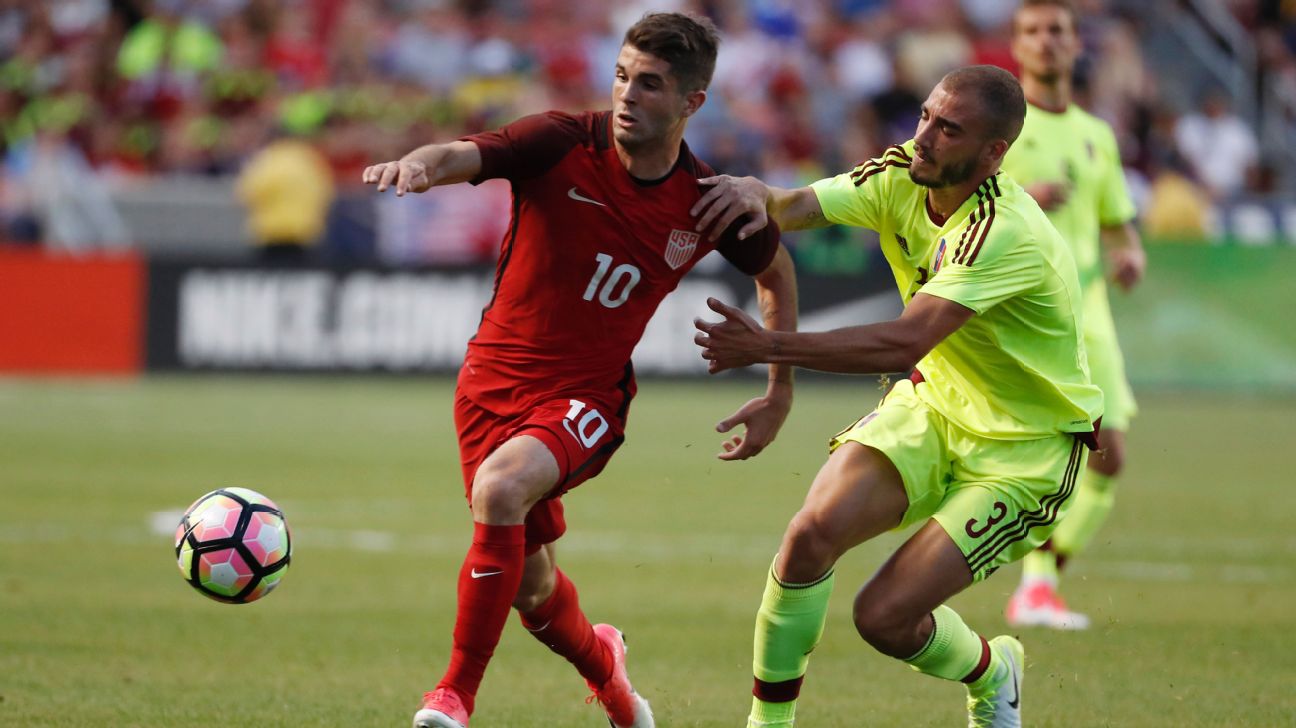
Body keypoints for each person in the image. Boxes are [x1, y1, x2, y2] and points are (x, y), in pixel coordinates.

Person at [362, 12, 798, 728]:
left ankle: (452, 696)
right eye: (623, 75)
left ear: (693, 102)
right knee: (532, 591)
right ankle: (608, 669)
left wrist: (778, 386)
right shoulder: (559, 142)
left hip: (585, 397)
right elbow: (459, 154)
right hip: (488, 388)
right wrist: (419, 165)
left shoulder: (709, 204)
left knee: (502, 490)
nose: (627, 94)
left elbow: (775, 271)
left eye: (651, 84)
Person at [690, 64, 1102, 727]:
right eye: (925, 117)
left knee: (883, 618)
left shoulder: (1004, 231)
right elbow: (793, 207)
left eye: (949, 129)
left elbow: (901, 344)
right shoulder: (897, 176)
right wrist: (752, 192)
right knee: (807, 538)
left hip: (1026, 449)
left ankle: (993, 672)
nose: (925, 138)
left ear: (994, 152)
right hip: (936, 406)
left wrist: (768, 349)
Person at [1000, 0, 1146, 630]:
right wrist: (1019, 196)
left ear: (1075, 42)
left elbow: (1118, 224)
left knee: (1108, 455)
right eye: (1033, 31)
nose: (1046, 42)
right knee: (1044, 454)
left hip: (1091, 313)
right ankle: (1026, 585)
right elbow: (949, 203)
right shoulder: (998, 127)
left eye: (1056, 30)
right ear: (1017, 45)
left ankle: (1039, 582)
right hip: (1025, 315)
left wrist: (1130, 255)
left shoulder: (1097, 134)